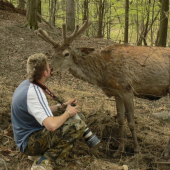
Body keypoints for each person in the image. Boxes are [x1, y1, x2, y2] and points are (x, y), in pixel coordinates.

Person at [11, 53, 86, 170]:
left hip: (24, 138)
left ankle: (37, 153)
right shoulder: (34, 92)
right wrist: (68, 113)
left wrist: (62, 107)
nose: (50, 68)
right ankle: (43, 162)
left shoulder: (26, 85)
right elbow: (51, 126)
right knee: (77, 123)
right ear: (45, 72)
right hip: (29, 142)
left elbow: (38, 110)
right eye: (48, 66)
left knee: (76, 117)